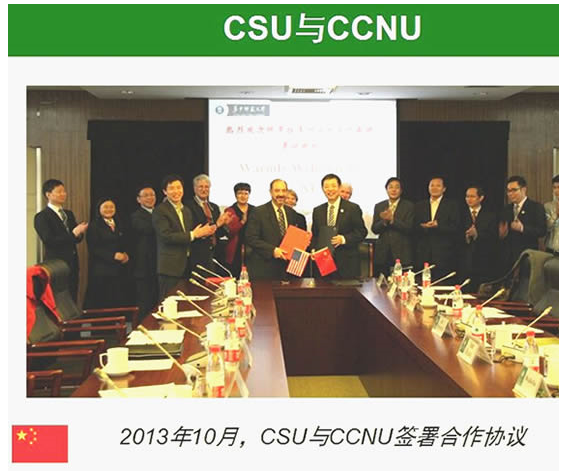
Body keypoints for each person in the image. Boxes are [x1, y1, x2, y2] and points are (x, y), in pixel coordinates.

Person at [152, 175, 215, 300]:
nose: (176, 191)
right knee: (169, 303)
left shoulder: (186, 210)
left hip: (188, 266)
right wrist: (194, 234)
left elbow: (190, 235)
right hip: (170, 268)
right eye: (171, 188)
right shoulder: (160, 210)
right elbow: (166, 236)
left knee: (187, 304)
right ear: (165, 191)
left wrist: (202, 233)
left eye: (179, 187)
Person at [34, 179, 88, 302]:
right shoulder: (41, 216)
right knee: (57, 298)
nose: (63, 194)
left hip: (73, 261)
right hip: (55, 263)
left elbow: (76, 238)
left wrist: (79, 234)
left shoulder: (68, 214)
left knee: (72, 295)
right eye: (59, 191)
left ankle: (74, 315)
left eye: (64, 191)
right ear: (48, 194)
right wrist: (73, 234)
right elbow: (49, 240)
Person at [311, 174, 367, 279]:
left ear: (339, 187)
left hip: (346, 263)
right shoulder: (318, 211)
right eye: (326, 186)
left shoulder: (352, 208)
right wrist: (314, 249)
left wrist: (344, 239)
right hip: (324, 263)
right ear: (322, 189)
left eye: (333, 186)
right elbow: (315, 235)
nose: (330, 189)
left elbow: (362, 232)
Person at [245, 179, 302, 280]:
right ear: (271, 192)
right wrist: (273, 250)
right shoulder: (258, 212)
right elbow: (251, 238)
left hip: (287, 269)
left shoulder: (292, 213)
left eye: (283, 191)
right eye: (277, 191)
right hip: (265, 268)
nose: (281, 194)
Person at [84, 197, 129, 309]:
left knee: (117, 299)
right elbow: (94, 248)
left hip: (118, 269)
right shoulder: (94, 226)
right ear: (99, 209)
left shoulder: (119, 223)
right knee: (102, 300)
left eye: (111, 207)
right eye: (105, 207)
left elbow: (124, 242)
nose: (109, 209)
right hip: (101, 270)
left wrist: (125, 254)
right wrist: (113, 256)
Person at [414, 176, 460, 282]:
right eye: (432, 185)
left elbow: (456, 227)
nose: (434, 188)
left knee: (442, 284)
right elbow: (414, 226)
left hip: (444, 254)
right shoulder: (419, 205)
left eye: (438, 185)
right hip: (423, 253)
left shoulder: (452, 205)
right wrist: (423, 226)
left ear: (444, 189)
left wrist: (438, 225)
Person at [499, 175, 547, 273]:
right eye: (508, 191)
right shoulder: (506, 209)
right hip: (508, 257)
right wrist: (502, 233)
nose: (510, 194)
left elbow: (542, 231)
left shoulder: (536, 207)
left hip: (527, 255)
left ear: (524, 189)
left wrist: (522, 228)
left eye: (514, 190)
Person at [187, 174, 232, 272]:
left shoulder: (214, 207)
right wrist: (217, 224)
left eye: (206, 187)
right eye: (201, 187)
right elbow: (199, 230)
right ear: (194, 188)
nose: (204, 189)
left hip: (215, 253)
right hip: (197, 254)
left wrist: (225, 224)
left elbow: (219, 233)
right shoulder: (188, 206)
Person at [371, 177, 414, 278]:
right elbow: (374, 229)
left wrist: (393, 220)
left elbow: (409, 228)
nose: (393, 190)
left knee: (402, 283)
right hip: (383, 254)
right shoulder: (379, 206)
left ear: (401, 190)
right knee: (382, 284)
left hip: (402, 253)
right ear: (386, 190)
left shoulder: (409, 206)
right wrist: (384, 222)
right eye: (390, 187)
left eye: (397, 187)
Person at [458, 185, 498, 293]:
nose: (469, 199)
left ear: (481, 198)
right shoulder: (460, 214)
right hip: (464, 263)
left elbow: (494, 237)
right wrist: (466, 237)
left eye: (472, 196)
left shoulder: (490, 215)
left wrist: (477, 235)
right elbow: (454, 235)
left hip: (483, 262)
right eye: (467, 196)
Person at [130, 185, 158, 319]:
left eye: (152, 195)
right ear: (138, 199)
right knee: (145, 302)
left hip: (160, 263)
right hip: (144, 265)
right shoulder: (136, 216)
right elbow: (148, 229)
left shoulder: (160, 213)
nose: (149, 198)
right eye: (145, 195)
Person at [224, 182, 255, 277]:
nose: (243, 196)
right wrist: (242, 222)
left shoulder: (255, 210)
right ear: (235, 195)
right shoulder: (229, 211)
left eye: (246, 193)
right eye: (240, 193)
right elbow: (229, 232)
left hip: (252, 248)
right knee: (235, 276)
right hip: (235, 248)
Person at [544, 175, 559, 256]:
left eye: (559, 187)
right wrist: (556, 215)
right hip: (551, 250)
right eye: (554, 187)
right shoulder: (548, 206)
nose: (557, 190)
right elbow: (546, 228)